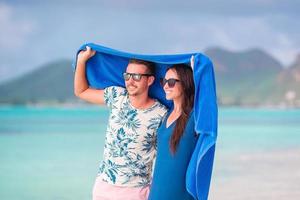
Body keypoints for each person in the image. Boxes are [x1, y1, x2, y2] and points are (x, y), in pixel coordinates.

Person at [74, 46, 168, 200]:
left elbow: (167, 154)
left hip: (135, 192)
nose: (130, 81)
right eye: (127, 75)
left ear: (150, 80)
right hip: (104, 186)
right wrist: (82, 60)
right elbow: (81, 91)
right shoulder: (117, 96)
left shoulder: (161, 113)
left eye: (137, 76)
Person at [148, 64, 197, 200]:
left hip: (180, 193)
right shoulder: (166, 114)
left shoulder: (195, 117)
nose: (165, 86)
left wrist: (198, 70)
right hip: (157, 192)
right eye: (164, 81)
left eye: (171, 82)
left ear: (186, 83)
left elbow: (208, 100)